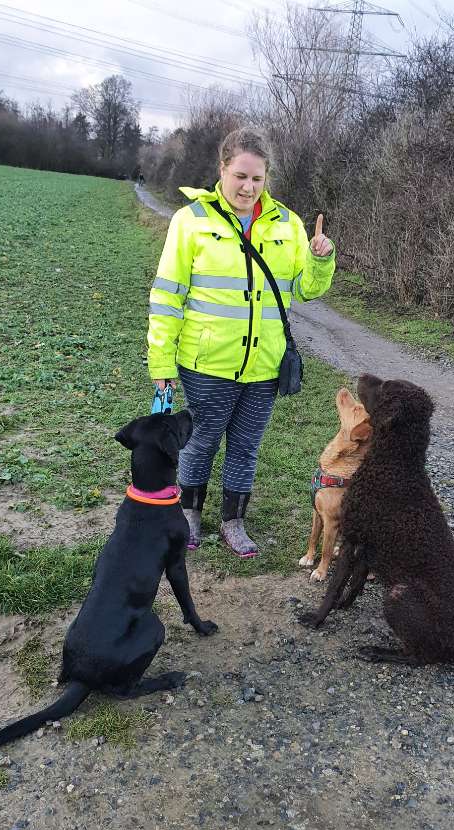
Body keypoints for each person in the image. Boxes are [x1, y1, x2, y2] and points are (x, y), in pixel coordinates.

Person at [147, 127, 336, 557]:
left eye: (257, 178)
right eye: (240, 176)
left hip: (264, 365)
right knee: (201, 441)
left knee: (246, 448)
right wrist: (161, 363)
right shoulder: (191, 221)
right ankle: (188, 515)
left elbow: (305, 289)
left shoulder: (288, 224)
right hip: (207, 362)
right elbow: (167, 297)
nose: (248, 187)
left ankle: (233, 521)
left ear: (267, 177)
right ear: (222, 170)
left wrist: (320, 259)